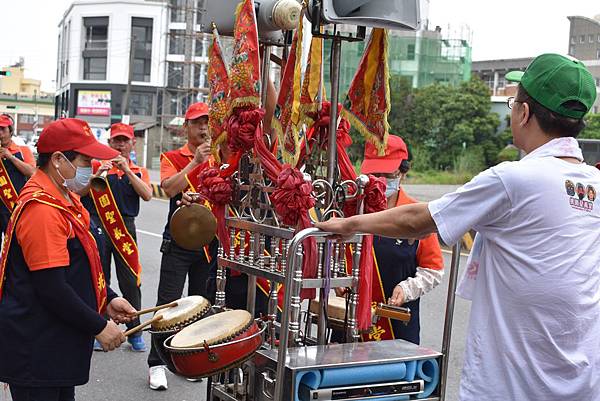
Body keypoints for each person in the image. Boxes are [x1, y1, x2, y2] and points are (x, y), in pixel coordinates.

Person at [316, 53, 600, 401]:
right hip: (581, 385)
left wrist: (349, 224)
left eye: (513, 104)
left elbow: (417, 222)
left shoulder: (514, 179)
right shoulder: (595, 183)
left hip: (512, 386)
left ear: (524, 113)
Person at [0, 118, 137, 401]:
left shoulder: (64, 197)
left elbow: (79, 262)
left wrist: (108, 298)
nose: (90, 168)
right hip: (37, 349)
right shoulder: (42, 210)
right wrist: (99, 326)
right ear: (59, 160)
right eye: (85, 160)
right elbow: (52, 287)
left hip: (56, 342)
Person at [147, 102, 219, 390]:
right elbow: (169, 188)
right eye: (197, 122)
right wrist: (195, 163)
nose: (203, 127)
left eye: (207, 122)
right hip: (179, 242)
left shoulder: (220, 157)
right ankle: (156, 363)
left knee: (200, 305)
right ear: (186, 127)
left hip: (209, 244)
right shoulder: (173, 156)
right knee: (168, 304)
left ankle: (189, 360)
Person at [356, 135, 443, 344]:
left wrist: (407, 289)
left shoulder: (417, 216)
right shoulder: (353, 211)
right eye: (374, 173)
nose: (381, 180)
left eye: (388, 174)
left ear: (403, 172)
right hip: (351, 322)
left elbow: (433, 270)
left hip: (397, 326)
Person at [87, 123, 152, 352]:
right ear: (109, 143)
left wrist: (125, 170)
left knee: (130, 281)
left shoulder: (137, 170)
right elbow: (79, 192)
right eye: (116, 140)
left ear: (132, 143)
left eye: (125, 140)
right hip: (97, 227)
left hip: (124, 228)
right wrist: (98, 173)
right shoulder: (96, 165)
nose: (121, 144)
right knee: (99, 279)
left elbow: (147, 195)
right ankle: (100, 329)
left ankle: (135, 331)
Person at [0, 114, 36, 234]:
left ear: (10, 131)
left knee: (13, 244)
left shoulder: (23, 150)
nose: (0, 134)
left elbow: (32, 172)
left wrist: (11, 157)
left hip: (13, 205)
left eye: (3, 130)